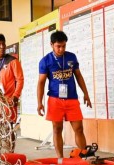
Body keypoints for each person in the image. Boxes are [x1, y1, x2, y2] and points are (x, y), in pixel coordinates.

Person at [36, 30, 92, 158]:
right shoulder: (45, 61)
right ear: (51, 44)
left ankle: (84, 156)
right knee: (57, 129)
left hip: (72, 98)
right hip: (55, 99)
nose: (61, 49)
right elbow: (41, 83)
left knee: (78, 128)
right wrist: (40, 103)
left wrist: (86, 94)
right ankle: (60, 159)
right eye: (58, 46)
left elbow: (78, 76)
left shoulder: (71, 57)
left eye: (63, 46)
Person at [0, 34, 24, 155]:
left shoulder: (13, 61)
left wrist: (16, 96)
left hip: (8, 100)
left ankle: (10, 153)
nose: (2, 47)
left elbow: (20, 79)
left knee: (9, 127)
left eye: (3, 44)